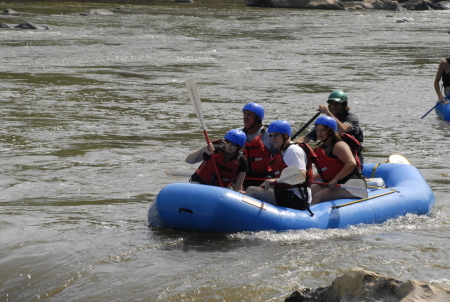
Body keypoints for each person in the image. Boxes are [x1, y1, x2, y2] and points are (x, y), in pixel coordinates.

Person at [246, 120, 311, 211]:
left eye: (275, 135)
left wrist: (276, 181)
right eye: (271, 135)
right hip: (286, 193)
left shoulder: (294, 151)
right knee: (250, 191)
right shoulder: (282, 151)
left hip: (298, 197)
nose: (272, 139)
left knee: (251, 191)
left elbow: (301, 175)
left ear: (285, 135)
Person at [294, 90, 364, 165]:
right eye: (331, 103)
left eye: (337, 103)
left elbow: (342, 129)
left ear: (344, 105)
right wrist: (290, 144)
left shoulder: (352, 118)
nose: (334, 106)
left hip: (352, 158)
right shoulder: (326, 122)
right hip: (333, 159)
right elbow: (306, 138)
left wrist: (328, 113)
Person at [311, 116, 363, 205]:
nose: (319, 133)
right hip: (337, 184)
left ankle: (310, 217)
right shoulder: (322, 148)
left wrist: (335, 179)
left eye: (323, 130)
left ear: (331, 131)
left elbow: (351, 163)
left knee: (318, 196)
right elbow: (328, 171)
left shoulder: (339, 145)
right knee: (311, 189)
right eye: (317, 130)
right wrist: (309, 179)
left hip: (353, 186)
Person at [241, 102, 276, 189]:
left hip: (263, 177)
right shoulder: (238, 134)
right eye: (244, 114)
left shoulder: (268, 135)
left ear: (257, 118)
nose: (245, 117)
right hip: (242, 177)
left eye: (249, 115)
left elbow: (279, 156)